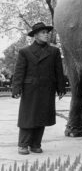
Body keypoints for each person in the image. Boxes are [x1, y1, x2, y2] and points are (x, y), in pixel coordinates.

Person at [12, 22, 66, 155]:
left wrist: (61, 87)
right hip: (30, 88)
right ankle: (23, 145)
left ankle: (35, 144)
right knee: (28, 116)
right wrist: (16, 88)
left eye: (47, 32)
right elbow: (19, 72)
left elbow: (58, 71)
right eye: (43, 32)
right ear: (35, 35)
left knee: (42, 116)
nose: (46, 34)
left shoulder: (54, 51)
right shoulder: (25, 52)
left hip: (47, 88)